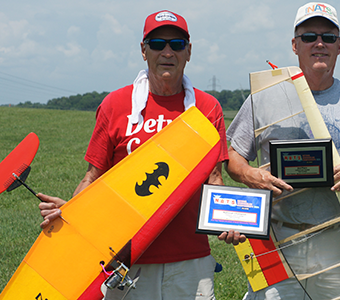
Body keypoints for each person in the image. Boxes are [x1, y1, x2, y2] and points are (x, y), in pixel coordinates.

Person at [36, 10, 242, 300]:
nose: (167, 52)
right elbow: (93, 176)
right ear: (144, 51)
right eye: (157, 44)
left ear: (189, 51)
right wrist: (71, 215)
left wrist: (230, 219)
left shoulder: (207, 108)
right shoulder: (115, 105)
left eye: (177, 44)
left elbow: (214, 179)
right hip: (124, 258)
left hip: (190, 260)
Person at [226, 2, 340, 299]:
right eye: (309, 37)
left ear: (339, 46)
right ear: (294, 45)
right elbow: (233, 156)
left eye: (328, 37)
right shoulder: (263, 97)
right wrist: (252, 175)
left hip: (339, 240)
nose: (319, 44)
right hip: (277, 239)